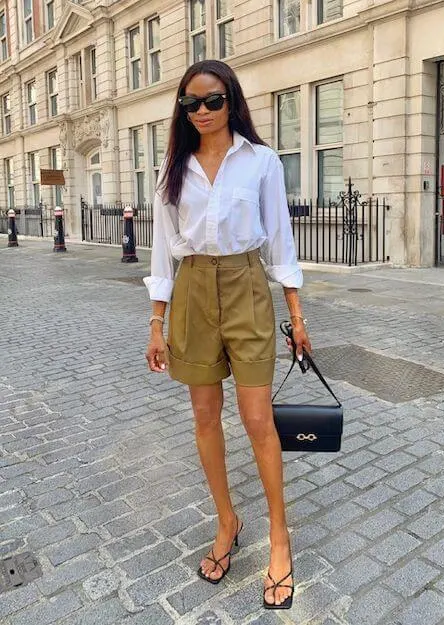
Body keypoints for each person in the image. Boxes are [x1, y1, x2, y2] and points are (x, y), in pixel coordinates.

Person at [144, 59, 311, 610]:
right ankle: (227, 520)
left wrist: (297, 314)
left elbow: (280, 241)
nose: (202, 111)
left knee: (258, 418)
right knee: (203, 416)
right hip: (192, 291)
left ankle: (280, 538)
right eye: (191, 103)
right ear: (183, 110)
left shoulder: (261, 162)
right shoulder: (174, 167)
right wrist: (156, 322)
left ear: (231, 100)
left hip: (246, 286)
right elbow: (164, 251)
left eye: (212, 100)